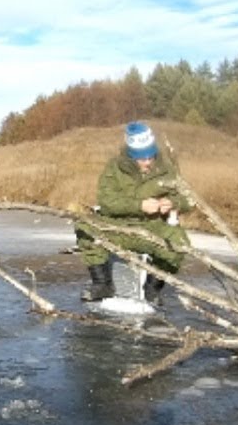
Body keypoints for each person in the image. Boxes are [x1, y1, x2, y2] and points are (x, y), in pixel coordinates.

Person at [75, 121, 192, 303]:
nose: (147, 162)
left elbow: (188, 200)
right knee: (85, 227)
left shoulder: (167, 170)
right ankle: (102, 284)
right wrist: (139, 206)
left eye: (150, 157)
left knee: (179, 243)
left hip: (152, 228)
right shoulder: (114, 168)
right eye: (141, 158)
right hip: (117, 226)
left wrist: (173, 202)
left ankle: (152, 289)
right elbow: (106, 202)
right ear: (131, 155)